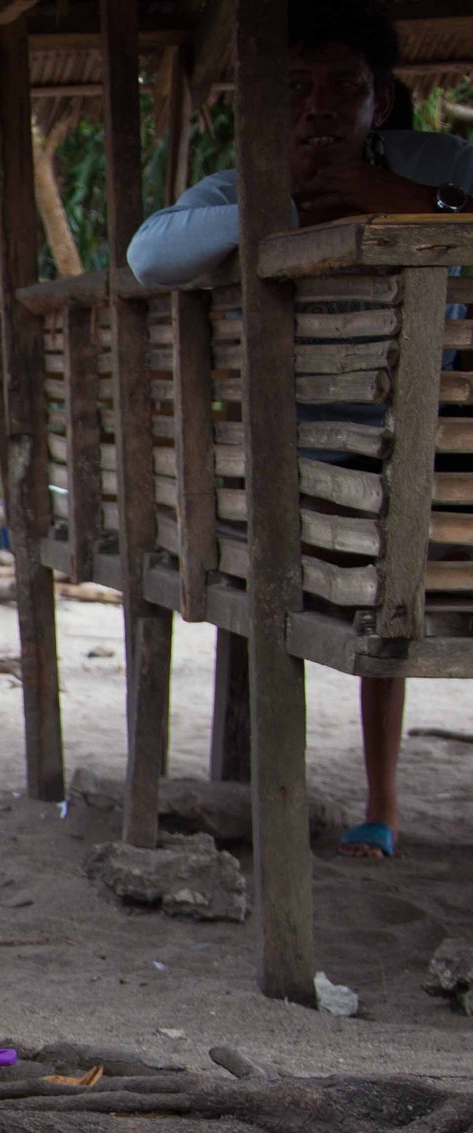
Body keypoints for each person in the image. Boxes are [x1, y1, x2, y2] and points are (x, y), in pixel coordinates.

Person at [127, 0, 454, 860]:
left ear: (378, 101)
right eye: (295, 88)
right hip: (302, 453)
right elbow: (148, 256)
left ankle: (379, 803)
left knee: (402, 585)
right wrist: (281, 213)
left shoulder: (431, 164)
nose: (315, 107)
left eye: (339, 88)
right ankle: (291, 797)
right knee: (295, 597)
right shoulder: (240, 186)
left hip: (435, 444)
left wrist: (408, 204)